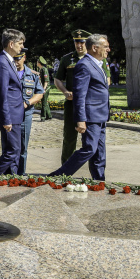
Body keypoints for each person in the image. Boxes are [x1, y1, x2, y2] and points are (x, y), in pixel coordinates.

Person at [50, 34, 111, 180]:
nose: (108, 49)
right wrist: (80, 119)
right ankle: (58, 175)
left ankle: (99, 180)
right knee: (89, 148)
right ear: (95, 48)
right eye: (106, 47)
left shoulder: (99, 64)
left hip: (100, 115)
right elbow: (80, 95)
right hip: (90, 116)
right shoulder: (84, 65)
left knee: (99, 151)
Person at [0, 29, 26, 175]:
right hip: (10, 114)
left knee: (13, 150)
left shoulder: (7, 61)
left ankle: (11, 177)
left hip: (14, 113)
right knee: (13, 150)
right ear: (11, 44)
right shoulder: (2, 62)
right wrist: (6, 118)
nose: (22, 47)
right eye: (20, 43)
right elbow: (1, 93)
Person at [14, 49, 44, 176]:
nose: (16, 61)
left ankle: (21, 173)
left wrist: (28, 102)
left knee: (22, 145)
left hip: (25, 114)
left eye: (19, 58)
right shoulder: (8, 73)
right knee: (9, 145)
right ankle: (9, 172)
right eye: (14, 58)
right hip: (11, 114)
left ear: (24, 57)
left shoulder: (32, 75)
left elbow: (40, 93)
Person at [36, 56, 53, 121]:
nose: (37, 63)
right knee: (45, 102)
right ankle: (49, 116)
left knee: (43, 103)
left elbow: (46, 81)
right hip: (43, 88)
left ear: (39, 63)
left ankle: (43, 117)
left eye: (37, 62)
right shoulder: (41, 69)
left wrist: (43, 89)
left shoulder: (44, 69)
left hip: (46, 88)